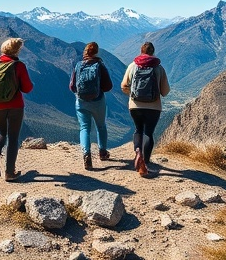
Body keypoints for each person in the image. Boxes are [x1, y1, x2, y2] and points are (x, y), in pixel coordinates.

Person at [0, 38, 33, 181]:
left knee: (0, 132)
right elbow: (27, 88)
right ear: (17, 50)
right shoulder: (18, 66)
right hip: (15, 106)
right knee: (13, 138)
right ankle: (9, 173)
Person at [121, 41, 170, 177]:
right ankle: (145, 161)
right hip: (154, 107)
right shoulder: (159, 68)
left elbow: (124, 85)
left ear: (141, 51)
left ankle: (138, 151)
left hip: (135, 106)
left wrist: (132, 95)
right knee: (148, 132)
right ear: (153, 52)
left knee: (138, 129)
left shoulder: (132, 66)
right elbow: (165, 91)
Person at [69, 42, 113, 170]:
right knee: (101, 126)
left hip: (81, 102)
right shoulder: (99, 65)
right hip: (98, 101)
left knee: (84, 128)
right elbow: (108, 86)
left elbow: (72, 86)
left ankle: (86, 155)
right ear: (96, 52)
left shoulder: (78, 65)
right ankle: (102, 152)